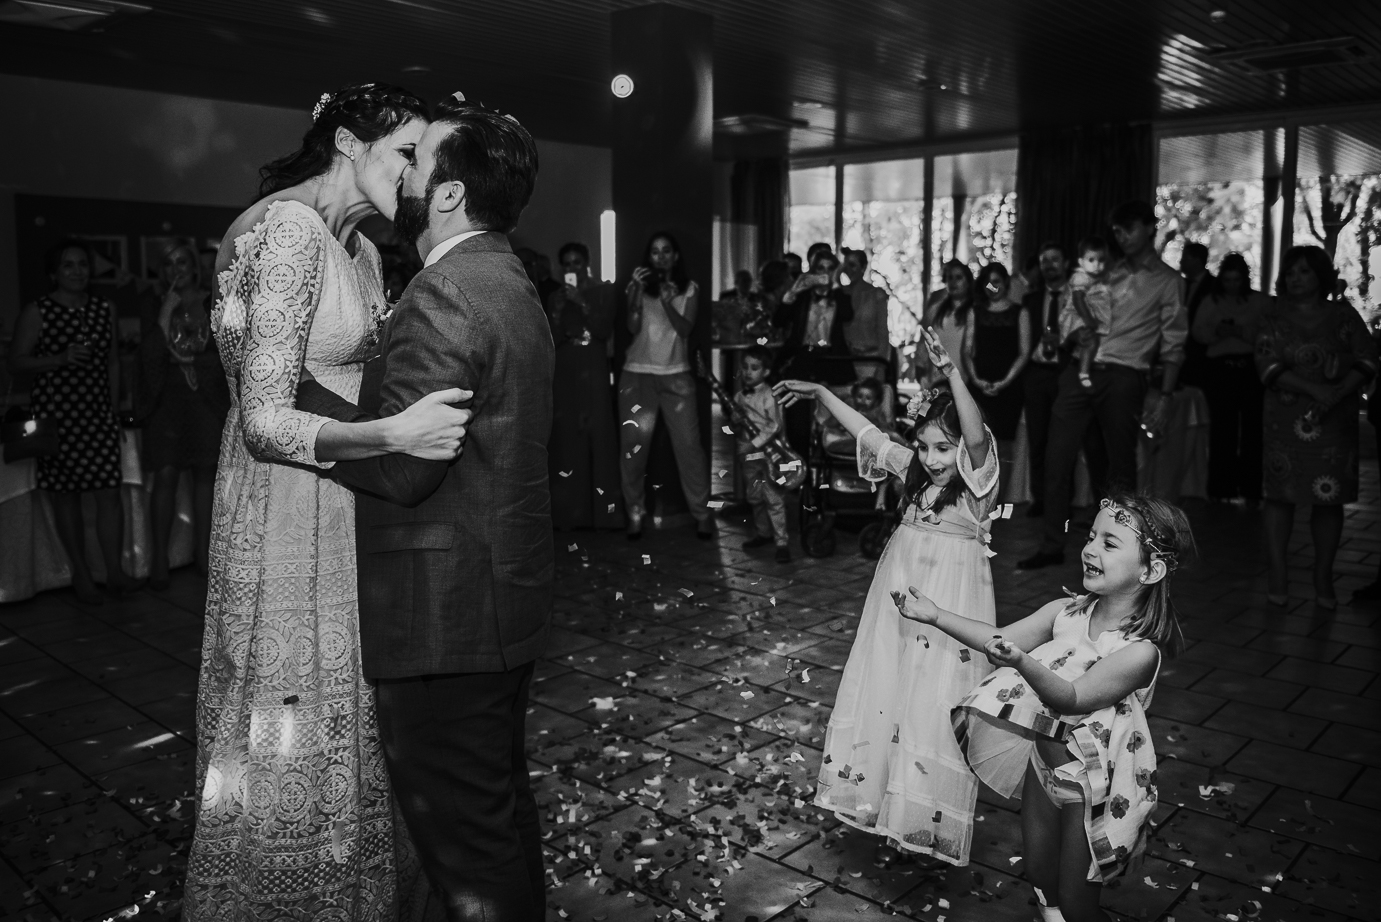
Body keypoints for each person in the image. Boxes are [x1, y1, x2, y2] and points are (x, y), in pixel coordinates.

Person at [185, 83, 473, 921]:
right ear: (349, 142)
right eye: (406, 153)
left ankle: (353, 888)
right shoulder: (289, 229)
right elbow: (264, 419)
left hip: (343, 498)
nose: (419, 175)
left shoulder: (362, 251)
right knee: (290, 713)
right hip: (286, 505)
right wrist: (394, 436)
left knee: (348, 705)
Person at [294, 92, 554, 921]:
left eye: (419, 159)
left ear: (447, 194)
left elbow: (406, 470)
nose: (403, 172)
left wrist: (293, 400)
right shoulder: (508, 279)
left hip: (445, 622)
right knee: (499, 817)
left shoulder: (445, 294)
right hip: (501, 604)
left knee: (470, 855)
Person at [898, 493, 1193, 922]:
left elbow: (1070, 699)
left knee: (1077, 901)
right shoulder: (1064, 612)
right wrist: (935, 615)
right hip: (1043, 766)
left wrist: (1021, 660)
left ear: (1151, 569)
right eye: (1091, 536)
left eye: (1110, 544)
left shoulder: (1137, 653)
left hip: (1090, 787)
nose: (1090, 548)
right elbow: (998, 636)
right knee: (1039, 873)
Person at [774, 325, 999, 868]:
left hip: (948, 605)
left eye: (942, 448)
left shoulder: (976, 488)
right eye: (925, 445)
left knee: (931, 697)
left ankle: (922, 813)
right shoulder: (914, 473)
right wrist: (824, 394)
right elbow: (869, 432)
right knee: (888, 686)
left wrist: (950, 374)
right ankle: (882, 798)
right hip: (897, 598)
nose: (934, 456)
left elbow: (973, 438)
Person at [1021, 201, 1188, 569]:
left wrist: (1165, 395)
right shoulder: (1101, 271)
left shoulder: (1168, 281)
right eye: (1116, 230)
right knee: (1056, 456)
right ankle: (1052, 544)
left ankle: (1121, 549)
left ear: (1149, 227)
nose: (1120, 236)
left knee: (1119, 467)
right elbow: (1071, 313)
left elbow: (1174, 343)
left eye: (1128, 228)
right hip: (1079, 371)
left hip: (1125, 375)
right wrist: (1069, 334)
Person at [8, 240, 142, 604]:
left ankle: (114, 572)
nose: (77, 270)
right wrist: (59, 358)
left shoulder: (103, 309)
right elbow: (17, 362)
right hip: (58, 416)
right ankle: (81, 575)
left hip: (97, 415)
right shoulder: (38, 311)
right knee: (66, 497)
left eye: (82, 264)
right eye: (68, 265)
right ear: (54, 273)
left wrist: (113, 411)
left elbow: (113, 362)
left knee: (108, 495)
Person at [1257, 246, 1377, 610]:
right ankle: (1278, 574)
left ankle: (1323, 576)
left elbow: (1369, 359)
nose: (1296, 278)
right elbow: (1265, 366)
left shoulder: (1343, 315)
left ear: (1321, 276)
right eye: (1291, 272)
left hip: (1333, 423)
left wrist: (1337, 391)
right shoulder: (1273, 316)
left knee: (1329, 500)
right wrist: (1315, 389)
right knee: (1280, 495)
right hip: (1284, 419)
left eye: (1305, 271)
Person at [136, 242, 230, 588]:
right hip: (166, 399)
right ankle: (159, 557)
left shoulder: (213, 299)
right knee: (166, 474)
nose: (176, 269)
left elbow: (225, 352)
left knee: (205, 476)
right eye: (168, 263)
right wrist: (165, 312)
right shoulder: (151, 301)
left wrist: (195, 362)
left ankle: (203, 556)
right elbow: (145, 355)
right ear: (161, 271)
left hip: (204, 397)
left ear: (193, 267)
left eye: (182, 261)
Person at [619, 231, 714, 541]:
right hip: (637, 375)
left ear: (675, 256)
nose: (660, 256)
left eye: (666, 251)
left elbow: (686, 329)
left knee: (690, 450)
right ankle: (634, 514)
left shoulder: (689, 289)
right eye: (655, 251)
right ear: (650, 257)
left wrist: (667, 302)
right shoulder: (637, 287)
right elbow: (632, 327)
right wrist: (634, 294)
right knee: (633, 451)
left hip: (676, 376)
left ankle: (702, 514)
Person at [546, 241, 622, 530]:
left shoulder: (604, 290)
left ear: (587, 262)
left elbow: (603, 329)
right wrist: (559, 309)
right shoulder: (555, 297)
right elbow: (552, 338)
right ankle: (569, 513)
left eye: (576, 262)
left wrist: (582, 302)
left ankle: (604, 514)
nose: (571, 269)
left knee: (598, 431)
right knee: (567, 436)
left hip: (593, 363)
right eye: (566, 264)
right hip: (565, 366)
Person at [1192, 252, 1266, 504]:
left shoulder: (1259, 302)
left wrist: (1240, 331)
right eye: (1228, 280)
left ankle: (1251, 488)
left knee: (1252, 431)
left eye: (1236, 280)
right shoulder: (1211, 302)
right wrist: (1218, 332)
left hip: (1249, 370)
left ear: (1244, 279)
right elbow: (1198, 333)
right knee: (1222, 430)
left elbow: (1266, 335)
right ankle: (1221, 488)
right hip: (1220, 370)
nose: (1232, 285)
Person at [1022, 243, 1073, 518]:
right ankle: (1040, 499)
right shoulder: (1031, 299)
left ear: (1066, 263)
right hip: (1037, 375)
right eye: (1044, 261)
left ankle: (1065, 502)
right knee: (1037, 439)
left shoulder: (1078, 296)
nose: (1049, 265)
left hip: (1066, 374)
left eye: (1054, 259)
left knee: (1065, 442)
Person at [964, 262, 1030, 452]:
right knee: (975, 440)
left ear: (1006, 282)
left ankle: (1001, 482)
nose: (991, 287)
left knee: (1004, 445)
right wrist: (977, 380)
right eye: (987, 282)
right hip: (980, 383)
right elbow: (966, 350)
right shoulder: (975, 311)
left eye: (996, 282)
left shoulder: (1020, 312)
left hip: (1010, 387)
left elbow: (1024, 352)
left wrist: (1005, 382)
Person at [735, 346, 791, 562]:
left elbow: (774, 426)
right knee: (755, 496)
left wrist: (753, 444)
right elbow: (735, 423)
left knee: (773, 498)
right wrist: (734, 421)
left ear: (766, 372)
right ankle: (763, 533)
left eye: (755, 368)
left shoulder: (771, 396)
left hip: (770, 456)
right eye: (745, 367)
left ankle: (782, 542)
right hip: (748, 456)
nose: (748, 372)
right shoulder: (739, 396)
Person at [1063, 237, 1113, 389]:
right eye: (1091, 260)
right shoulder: (1080, 277)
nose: (1097, 264)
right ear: (1080, 262)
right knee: (1091, 341)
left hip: (1088, 315)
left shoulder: (1098, 279)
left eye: (1101, 260)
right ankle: (1083, 372)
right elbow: (1078, 300)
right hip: (1079, 316)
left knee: (1092, 342)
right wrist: (1089, 319)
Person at [921, 260, 975, 388]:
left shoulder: (976, 311)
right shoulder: (935, 310)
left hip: (966, 380)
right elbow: (923, 344)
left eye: (959, 278)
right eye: (950, 278)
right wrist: (921, 371)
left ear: (968, 281)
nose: (953, 282)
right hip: (936, 379)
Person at [841, 247, 890, 360]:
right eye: (846, 265)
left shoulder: (876, 295)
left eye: (852, 265)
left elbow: (883, 333)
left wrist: (882, 363)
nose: (848, 269)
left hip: (871, 358)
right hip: (846, 359)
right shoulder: (841, 294)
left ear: (863, 267)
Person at [1179, 241, 1213, 388]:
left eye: (1185, 258)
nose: (1181, 262)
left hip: (1202, 353)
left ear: (1197, 260)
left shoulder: (1213, 287)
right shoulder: (1179, 284)